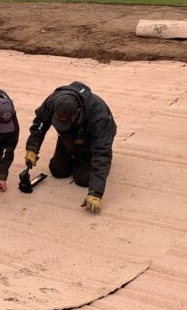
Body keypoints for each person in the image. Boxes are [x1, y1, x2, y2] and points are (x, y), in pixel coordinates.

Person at [24, 82, 117, 214]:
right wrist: (32, 148)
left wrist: (96, 193)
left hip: (90, 143)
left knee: (83, 180)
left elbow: (102, 153)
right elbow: (40, 123)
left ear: (77, 112)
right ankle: (67, 147)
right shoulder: (53, 101)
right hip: (69, 137)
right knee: (57, 171)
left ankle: (84, 157)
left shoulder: (98, 115)